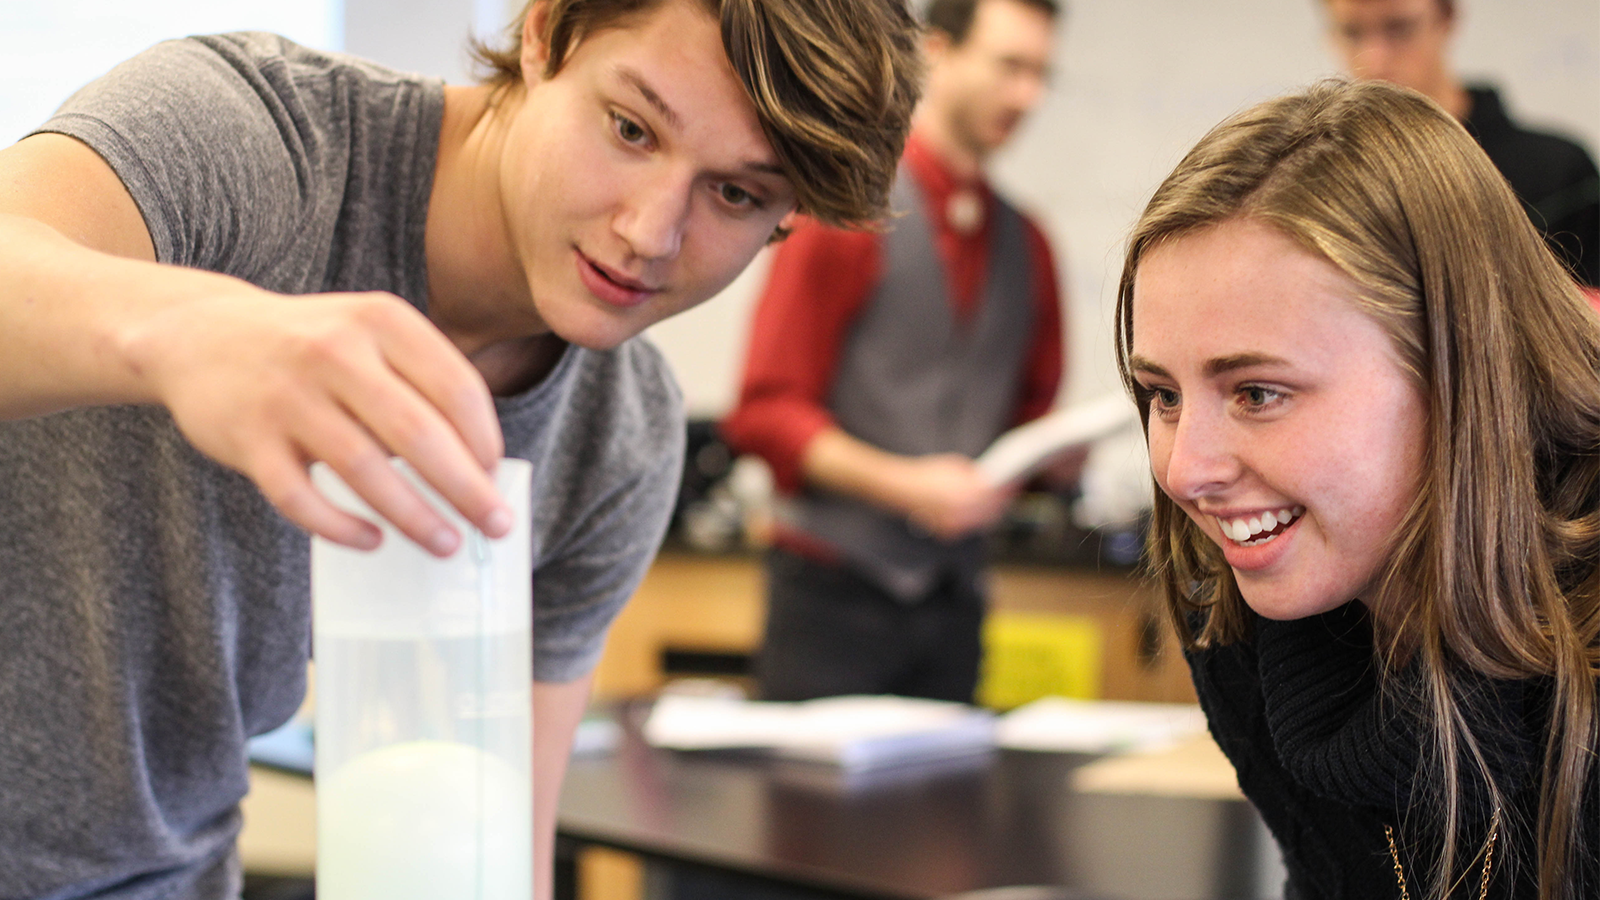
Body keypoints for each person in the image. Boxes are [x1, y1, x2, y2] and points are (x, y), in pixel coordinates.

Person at [0, 1, 922, 897]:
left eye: (734, 193)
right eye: (631, 128)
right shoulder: (257, 134)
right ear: (547, 32)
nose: (648, 232)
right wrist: (187, 331)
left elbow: (502, 845)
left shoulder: (618, 440)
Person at [1116, 79, 1599, 899]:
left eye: (1258, 393)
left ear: (1455, 375)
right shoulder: (1246, 631)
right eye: (1164, 395)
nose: (1187, 470)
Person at [720, 0, 1071, 705]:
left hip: (955, 604)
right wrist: (905, 487)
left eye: (1041, 74)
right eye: (1009, 67)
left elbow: (1030, 413)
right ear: (936, 52)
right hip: (831, 601)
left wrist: (1048, 462)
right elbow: (765, 412)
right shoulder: (843, 214)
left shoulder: (1027, 244)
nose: (1027, 96)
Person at [1320, 0, 1600, 287]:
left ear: (1447, 18)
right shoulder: (1322, 180)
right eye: (1352, 32)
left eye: (1400, 29)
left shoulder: (1559, 171)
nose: (1374, 60)